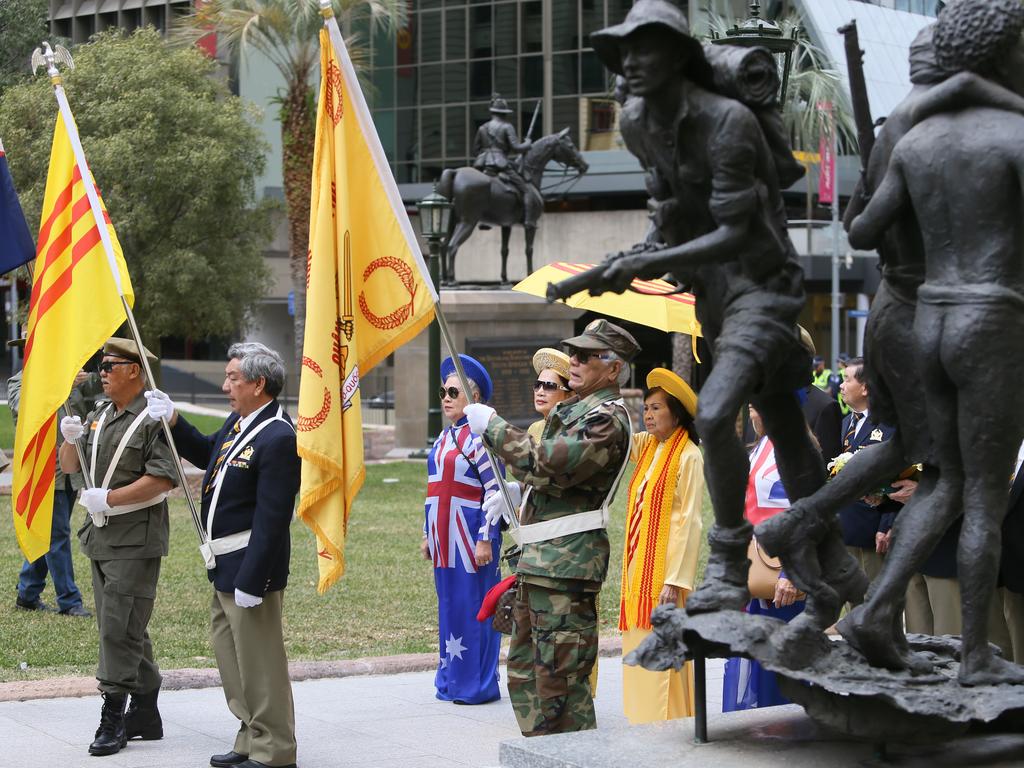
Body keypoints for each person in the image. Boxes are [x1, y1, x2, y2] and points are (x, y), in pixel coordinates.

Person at [590, 0, 863, 629]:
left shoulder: (731, 121)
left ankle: (727, 557)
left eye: (646, 48)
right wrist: (642, 253)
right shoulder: (635, 122)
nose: (630, 63)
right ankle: (842, 580)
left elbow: (736, 231)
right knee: (788, 431)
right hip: (716, 297)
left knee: (713, 416)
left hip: (764, 290)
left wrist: (632, 265)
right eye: (623, 50)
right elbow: (667, 209)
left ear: (680, 58)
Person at [847, 0, 1024, 684]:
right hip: (993, 319)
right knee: (983, 496)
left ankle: (876, 608)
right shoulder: (1014, 132)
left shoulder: (918, 140)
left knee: (944, 481)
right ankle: (976, 656)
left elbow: (862, 233)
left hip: (930, 319)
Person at [465, 319, 636, 736]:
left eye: (585, 356)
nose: (573, 360)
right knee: (526, 677)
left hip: (566, 569)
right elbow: (542, 477)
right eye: (573, 353)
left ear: (613, 368)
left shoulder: (607, 421)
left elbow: (547, 463)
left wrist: (493, 426)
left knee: (559, 688)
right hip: (541, 564)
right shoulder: (577, 411)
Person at [145, 342, 300, 768]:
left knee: (260, 663)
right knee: (233, 661)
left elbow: (273, 519)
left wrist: (253, 581)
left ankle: (275, 750)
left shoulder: (279, 436)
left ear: (259, 383)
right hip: (224, 566)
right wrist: (172, 420)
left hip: (251, 569)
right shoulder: (239, 422)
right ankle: (250, 735)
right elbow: (205, 452)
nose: (226, 384)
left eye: (234, 377)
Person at [58, 338, 177, 757]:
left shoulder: (153, 418)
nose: (103, 372)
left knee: (116, 627)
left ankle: (113, 715)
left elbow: (164, 479)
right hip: (101, 537)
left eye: (111, 365)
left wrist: (109, 499)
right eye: (102, 365)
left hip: (135, 538)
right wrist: (70, 438)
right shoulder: (100, 413)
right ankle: (146, 710)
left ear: (135, 371)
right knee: (127, 626)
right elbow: (70, 468)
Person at [620, 368, 703, 724]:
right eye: (647, 409)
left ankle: (666, 722)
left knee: (664, 647)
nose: (648, 415)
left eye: (656, 408)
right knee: (639, 643)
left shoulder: (688, 456)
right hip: (638, 569)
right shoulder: (647, 447)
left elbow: (691, 521)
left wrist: (674, 579)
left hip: (665, 575)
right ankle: (639, 719)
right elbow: (619, 434)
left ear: (676, 413)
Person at [420, 354, 503, 705]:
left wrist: (485, 537)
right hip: (444, 541)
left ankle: (477, 684)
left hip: (471, 539)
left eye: (454, 391)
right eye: (443, 391)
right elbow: (432, 488)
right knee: (450, 606)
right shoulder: (443, 439)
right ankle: (451, 679)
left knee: (475, 608)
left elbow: (496, 491)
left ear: (476, 399)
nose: (446, 397)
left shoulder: (481, 439)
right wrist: (427, 533)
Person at [722, 404, 805, 710]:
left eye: (758, 407)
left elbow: (806, 516)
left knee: (780, 670)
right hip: (755, 571)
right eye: (752, 407)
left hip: (781, 577)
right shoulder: (761, 447)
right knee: (755, 662)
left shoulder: (795, 448)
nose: (752, 414)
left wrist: (791, 573)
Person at [11, 341, 100, 617]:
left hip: (70, 469)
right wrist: (62, 384)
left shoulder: (70, 375)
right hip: (43, 470)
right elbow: (22, 407)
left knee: (49, 533)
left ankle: (28, 591)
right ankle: (69, 600)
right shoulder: (21, 380)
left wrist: (88, 377)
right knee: (57, 533)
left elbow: (102, 389)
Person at [833, 358, 910, 589]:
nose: (841, 385)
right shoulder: (847, 422)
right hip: (847, 526)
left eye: (847, 380)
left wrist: (887, 524)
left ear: (865, 387)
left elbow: (899, 475)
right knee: (850, 598)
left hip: (873, 531)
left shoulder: (890, 424)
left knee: (871, 600)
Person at [472, 93, 540, 223]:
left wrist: (487, 155)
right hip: (500, 164)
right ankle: (528, 220)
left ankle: (484, 221)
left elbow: (475, 150)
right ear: (503, 113)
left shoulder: (482, 128)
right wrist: (528, 143)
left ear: (493, 112)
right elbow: (516, 147)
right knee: (525, 190)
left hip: (484, 166)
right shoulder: (507, 127)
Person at [528, 347, 572, 441]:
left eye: (550, 386)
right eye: (538, 385)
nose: (540, 392)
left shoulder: (575, 429)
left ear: (570, 395)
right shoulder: (534, 429)